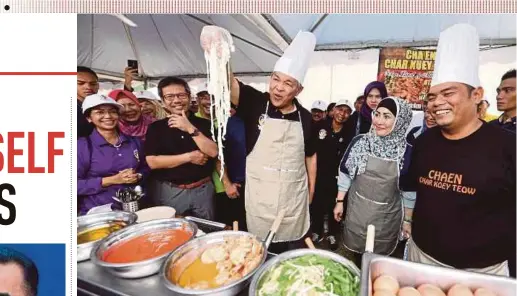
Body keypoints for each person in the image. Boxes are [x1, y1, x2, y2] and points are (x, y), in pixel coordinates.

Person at [402, 24, 515, 277]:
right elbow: (413, 190)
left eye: (448, 93)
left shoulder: (508, 146)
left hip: (484, 271)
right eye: (431, 97)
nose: (437, 103)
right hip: (422, 259)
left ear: (476, 95)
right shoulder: (424, 141)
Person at [201, 27, 318, 253]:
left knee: (291, 251)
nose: (278, 88)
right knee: (259, 251)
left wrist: (312, 188)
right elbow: (229, 84)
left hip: (293, 198)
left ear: (299, 89)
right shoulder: (256, 103)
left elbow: (310, 154)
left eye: (288, 83)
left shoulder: (305, 117)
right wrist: (220, 54)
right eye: (276, 79)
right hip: (260, 198)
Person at [334, 97, 414, 266]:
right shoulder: (360, 142)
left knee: (379, 261)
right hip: (358, 210)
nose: (379, 121)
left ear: (400, 121)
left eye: (387, 116)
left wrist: (407, 220)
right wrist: (340, 201)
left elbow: (409, 191)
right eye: (377, 114)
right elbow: (346, 173)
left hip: (386, 216)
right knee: (358, 254)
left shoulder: (406, 152)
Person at [144, 77, 218, 220]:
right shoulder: (156, 128)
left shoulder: (204, 124)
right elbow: (152, 162)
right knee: (175, 233)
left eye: (181, 95)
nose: (176, 100)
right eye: (170, 96)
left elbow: (213, 151)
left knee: (208, 229)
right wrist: (189, 157)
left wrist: (189, 127)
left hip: (203, 189)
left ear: (189, 97)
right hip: (171, 191)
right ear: (163, 101)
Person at [77, 94, 148, 215]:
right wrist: (112, 180)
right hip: (100, 212)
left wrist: (139, 175)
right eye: (100, 112)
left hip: (135, 209)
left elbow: (145, 167)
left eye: (112, 112)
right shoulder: (82, 146)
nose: (108, 116)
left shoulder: (134, 141)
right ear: (89, 118)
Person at [311, 99, 353, 250]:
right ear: (334, 110)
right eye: (340, 109)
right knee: (316, 203)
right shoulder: (320, 127)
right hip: (319, 174)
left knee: (334, 204)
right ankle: (316, 230)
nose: (343, 114)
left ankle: (333, 233)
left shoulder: (350, 132)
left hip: (337, 177)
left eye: (347, 111)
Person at [194, 90, 240, 225]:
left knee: (225, 222)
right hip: (200, 186)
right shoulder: (192, 122)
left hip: (223, 185)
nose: (209, 102)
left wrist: (229, 181)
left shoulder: (226, 121)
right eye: (204, 98)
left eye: (213, 98)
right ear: (196, 100)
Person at [342, 82, 388, 147]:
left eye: (378, 96)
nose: (373, 100)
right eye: (370, 96)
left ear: (384, 97)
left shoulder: (391, 118)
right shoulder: (355, 118)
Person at [77, 66, 99, 138]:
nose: (88, 87)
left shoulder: (100, 105)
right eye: (80, 83)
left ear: (98, 86)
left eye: (93, 84)